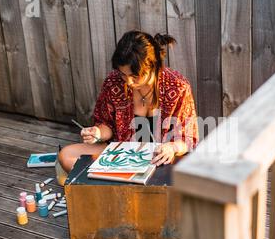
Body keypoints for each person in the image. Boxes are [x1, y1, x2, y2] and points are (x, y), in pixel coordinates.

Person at [56, 30, 199, 185]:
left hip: (158, 157)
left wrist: (171, 147)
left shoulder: (178, 88)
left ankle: (113, 184)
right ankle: (124, 185)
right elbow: (107, 125)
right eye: (123, 74)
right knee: (66, 155)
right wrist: (97, 132)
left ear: (154, 67)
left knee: (185, 178)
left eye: (135, 76)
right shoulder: (113, 81)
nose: (128, 82)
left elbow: (187, 139)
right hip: (121, 153)